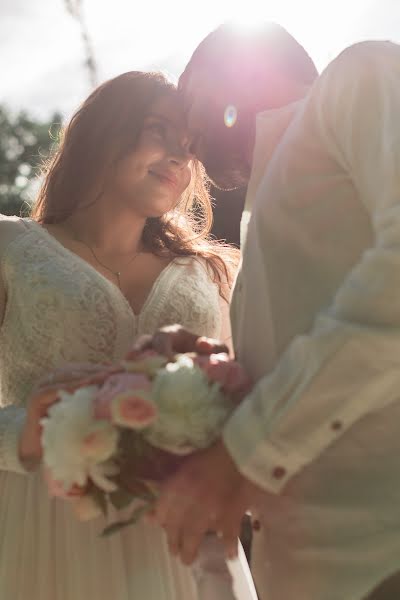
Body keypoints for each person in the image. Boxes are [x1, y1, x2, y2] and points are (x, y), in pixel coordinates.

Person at [145, 23, 400, 600]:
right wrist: (211, 376)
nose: (186, 139)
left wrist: (244, 451)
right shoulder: (257, 213)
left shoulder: (359, 75)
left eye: (189, 102)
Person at [0, 70, 258, 600]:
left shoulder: (216, 273)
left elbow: (257, 398)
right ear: (102, 132)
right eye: (157, 129)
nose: (178, 156)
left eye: (190, 146)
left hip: (186, 538)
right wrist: (23, 432)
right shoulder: (10, 249)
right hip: (46, 530)